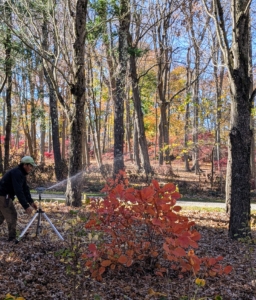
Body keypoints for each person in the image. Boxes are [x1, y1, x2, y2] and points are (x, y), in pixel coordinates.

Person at [0, 156, 38, 242]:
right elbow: (18, 191)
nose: (31, 168)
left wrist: (31, 202)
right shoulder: (17, 173)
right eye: (30, 166)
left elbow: (25, 189)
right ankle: (12, 238)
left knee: (0, 217)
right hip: (3, 196)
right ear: (25, 165)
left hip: (3, 196)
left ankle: (12, 237)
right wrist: (26, 206)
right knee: (12, 215)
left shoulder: (21, 174)